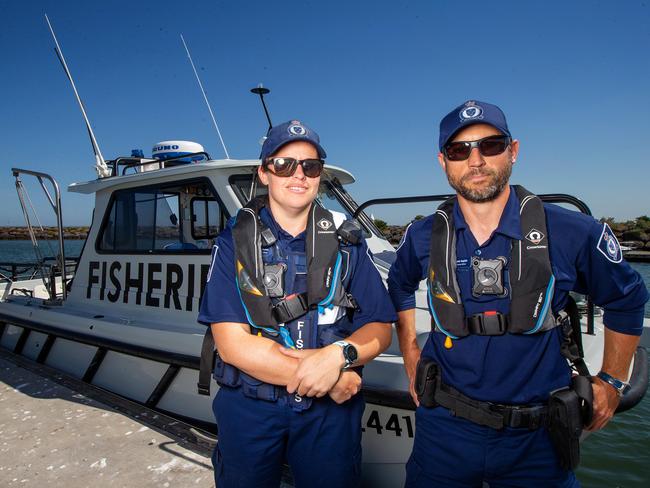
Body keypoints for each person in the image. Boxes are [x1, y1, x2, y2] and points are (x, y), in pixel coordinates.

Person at [387, 100, 649, 487]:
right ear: (444, 162)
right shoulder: (423, 236)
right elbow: (399, 285)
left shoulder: (573, 232)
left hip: (537, 439)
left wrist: (611, 381)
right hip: (444, 431)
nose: (475, 160)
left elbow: (627, 298)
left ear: (514, 150)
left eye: (490, 145)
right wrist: (410, 350)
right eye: (460, 150)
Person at [198, 120, 396, 488]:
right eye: (284, 164)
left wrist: (337, 357)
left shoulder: (348, 243)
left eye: (310, 166)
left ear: (319, 175)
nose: (298, 174)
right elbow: (233, 344)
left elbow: (380, 328)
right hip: (250, 409)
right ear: (264, 173)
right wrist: (329, 379)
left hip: (330, 419)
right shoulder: (233, 243)